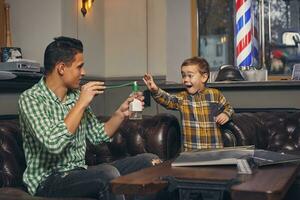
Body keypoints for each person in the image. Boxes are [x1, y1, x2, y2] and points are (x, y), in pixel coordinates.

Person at [18, 36, 160, 200]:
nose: (83, 72)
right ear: (61, 68)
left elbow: (98, 136)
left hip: (80, 172)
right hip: (48, 180)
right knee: (107, 174)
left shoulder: (75, 97)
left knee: (150, 163)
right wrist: (81, 104)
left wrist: (121, 113)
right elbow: (53, 144)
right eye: (80, 67)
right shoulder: (31, 99)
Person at [143, 56, 234, 151]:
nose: (185, 79)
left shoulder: (215, 94)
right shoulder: (183, 98)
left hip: (215, 150)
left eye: (190, 76)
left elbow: (229, 108)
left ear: (204, 77)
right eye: (183, 76)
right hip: (191, 152)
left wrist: (226, 114)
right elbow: (168, 100)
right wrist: (155, 90)